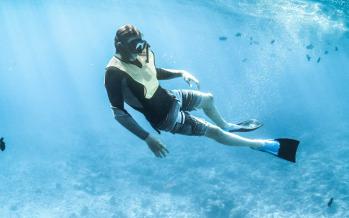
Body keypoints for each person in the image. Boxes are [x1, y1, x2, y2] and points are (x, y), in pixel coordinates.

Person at [104, 24, 299, 162]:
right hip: (165, 118)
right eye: (133, 45)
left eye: (139, 44)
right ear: (120, 45)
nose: (138, 50)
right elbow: (118, 113)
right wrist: (147, 138)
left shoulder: (139, 53)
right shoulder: (114, 73)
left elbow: (151, 72)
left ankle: (228, 126)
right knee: (213, 132)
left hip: (171, 97)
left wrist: (181, 72)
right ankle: (259, 145)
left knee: (208, 99)